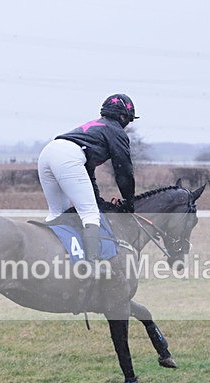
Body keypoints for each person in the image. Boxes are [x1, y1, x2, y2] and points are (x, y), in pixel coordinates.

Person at [37, 93, 138, 265]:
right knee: (90, 214)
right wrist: (129, 200)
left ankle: (48, 256)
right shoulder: (116, 131)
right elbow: (124, 171)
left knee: (57, 212)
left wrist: (97, 198)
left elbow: (87, 172)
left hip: (48, 152)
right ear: (122, 116)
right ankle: (92, 264)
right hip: (68, 157)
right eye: (128, 120)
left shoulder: (95, 128)